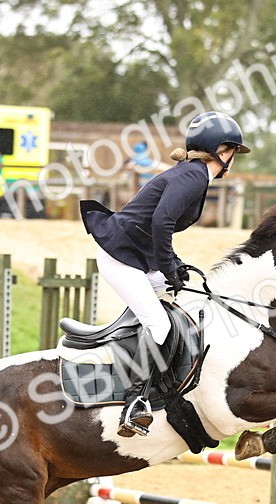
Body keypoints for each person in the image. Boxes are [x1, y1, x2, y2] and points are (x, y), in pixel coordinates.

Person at [81, 110, 250, 437]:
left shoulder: (193, 174)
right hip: (121, 257)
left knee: (187, 301)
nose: (234, 160)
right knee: (158, 323)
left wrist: (174, 265)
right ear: (223, 151)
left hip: (136, 255)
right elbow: (161, 223)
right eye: (233, 153)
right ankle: (134, 403)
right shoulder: (194, 176)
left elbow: (158, 226)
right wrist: (169, 267)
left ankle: (172, 390)